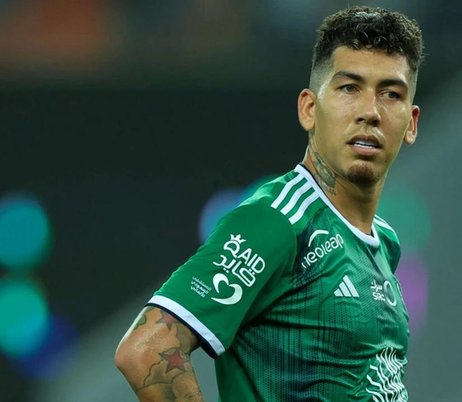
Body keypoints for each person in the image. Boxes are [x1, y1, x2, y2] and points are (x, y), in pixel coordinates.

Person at [114, 5, 424, 401]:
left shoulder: (385, 242)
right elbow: (147, 350)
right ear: (309, 109)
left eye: (391, 94)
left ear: (411, 122)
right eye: (349, 88)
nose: (370, 112)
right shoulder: (278, 222)